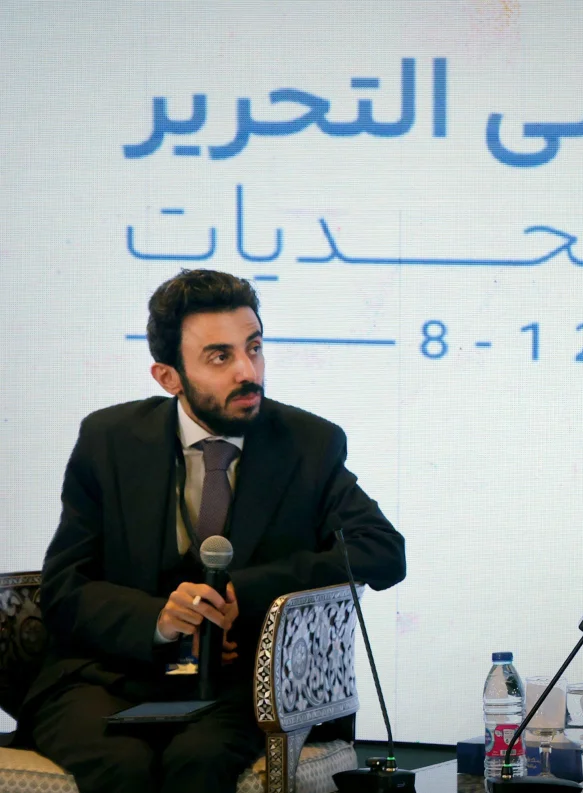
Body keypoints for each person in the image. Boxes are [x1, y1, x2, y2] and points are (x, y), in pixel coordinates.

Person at [21, 269, 408, 793]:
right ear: (169, 377)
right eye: (220, 357)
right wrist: (158, 620)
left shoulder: (307, 443)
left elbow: (382, 552)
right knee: (120, 766)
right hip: (108, 677)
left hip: (241, 687)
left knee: (196, 763)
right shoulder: (108, 440)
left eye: (254, 348)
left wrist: (242, 592)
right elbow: (65, 588)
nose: (248, 371)